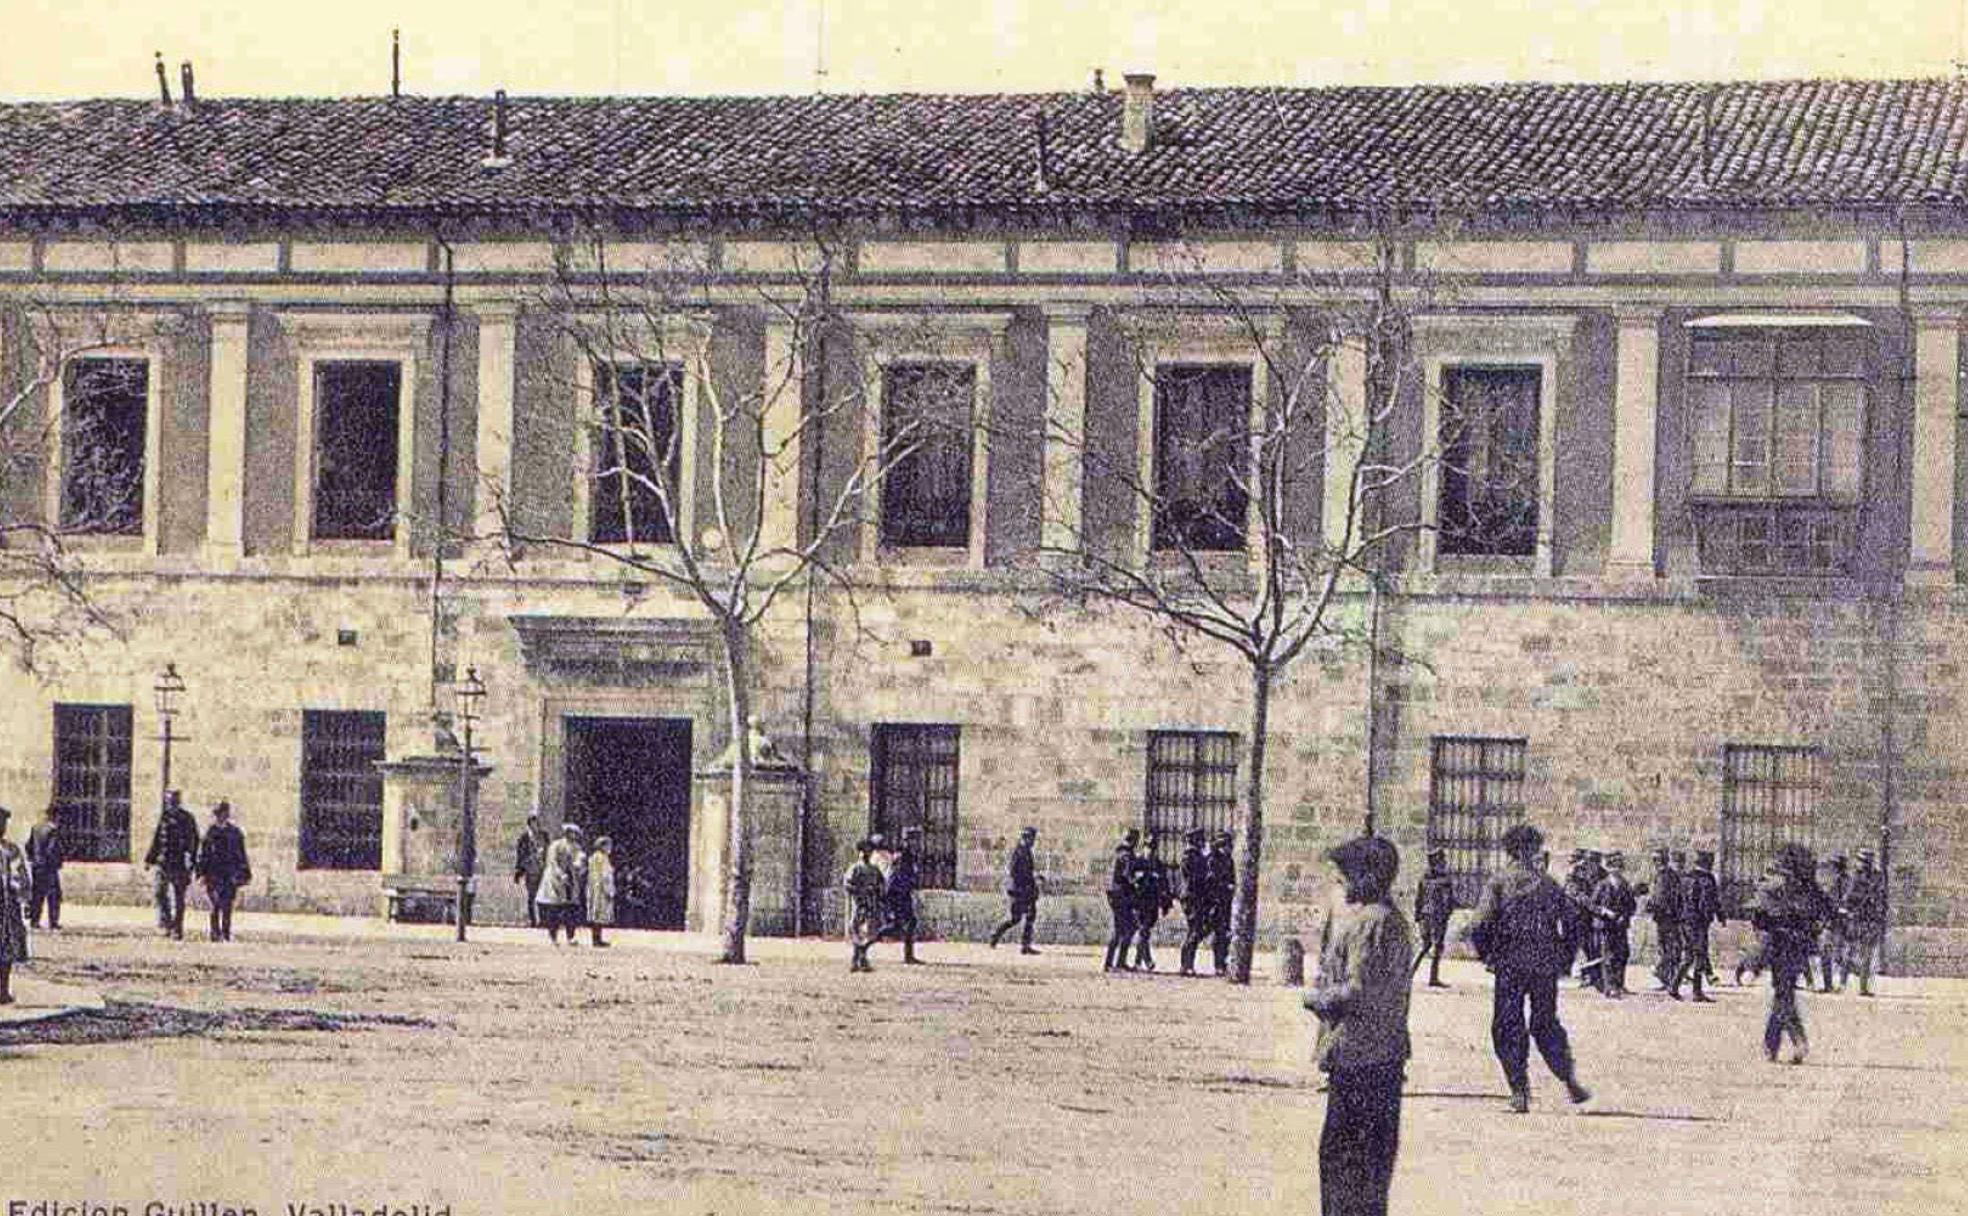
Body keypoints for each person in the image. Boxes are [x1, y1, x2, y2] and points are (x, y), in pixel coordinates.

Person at [1303, 835, 1413, 1216]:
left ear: (1365, 877)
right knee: (1369, 1170)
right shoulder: (1392, 920)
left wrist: (1316, 998)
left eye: (1345, 877)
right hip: (1382, 1055)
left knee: (1343, 1166)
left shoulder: (1369, 923)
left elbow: (1358, 990)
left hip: (1359, 1058)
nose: (1342, 885)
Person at [1466, 823, 1591, 1113]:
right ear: (1532, 850)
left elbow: (1479, 924)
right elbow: (1573, 923)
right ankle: (1569, 1079)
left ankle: (1519, 1090)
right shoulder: (1549, 884)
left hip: (1510, 964)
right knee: (1546, 1023)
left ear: (1510, 850)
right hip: (1544, 966)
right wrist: (1565, 959)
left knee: (1508, 1024)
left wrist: (1487, 954)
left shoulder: (1499, 882)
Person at [1750, 843, 1832, 1063]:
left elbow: (1760, 919)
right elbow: (1829, 911)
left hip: (1780, 947)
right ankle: (1771, 1044)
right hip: (1799, 949)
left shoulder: (1779, 889)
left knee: (1783, 995)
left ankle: (1797, 1041)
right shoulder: (1810, 890)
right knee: (1783, 994)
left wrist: (1756, 957)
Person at [144, 790, 200, 940]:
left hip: (179, 864)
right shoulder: (165, 817)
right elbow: (157, 839)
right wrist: (150, 859)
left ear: (178, 802)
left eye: (173, 801)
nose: (170, 804)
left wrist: (192, 862)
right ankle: (167, 923)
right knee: (159, 892)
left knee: (179, 897)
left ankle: (177, 928)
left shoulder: (187, 818)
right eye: (168, 801)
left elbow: (194, 841)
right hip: (163, 862)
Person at [196, 800, 251, 942]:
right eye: (218, 814)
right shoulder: (210, 832)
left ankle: (225, 933)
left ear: (227, 814)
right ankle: (215, 933)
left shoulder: (235, 833)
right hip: (213, 874)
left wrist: (244, 873)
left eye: (222, 813)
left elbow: (241, 854)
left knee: (227, 905)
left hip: (229, 874)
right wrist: (201, 873)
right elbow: (203, 854)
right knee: (215, 904)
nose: (220, 817)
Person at [1675, 849, 1722, 1003]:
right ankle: (1696, 991)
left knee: (1688, 955)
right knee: (1700, 956)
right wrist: (1716, 916)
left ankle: (1673, 986)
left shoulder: (1685, 878)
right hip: (1698, 923)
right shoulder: (1707, 880)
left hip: (1684, 921)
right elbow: (1708, 903)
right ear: (1709, 863)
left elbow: (1678, 900)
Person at [1590, 852, 1637, 997]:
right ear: (1609, 869)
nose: (1616, 870)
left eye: (1619, 867)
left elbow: (1631, 905)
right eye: (1613, 867)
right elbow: (1592, 905)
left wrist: (1625, 915)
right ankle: (1609, 987)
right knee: (1608, 957)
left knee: (1622, 955)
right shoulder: (1602, 885)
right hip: (1605, 926)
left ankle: (1619, 984)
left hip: (1620, 926)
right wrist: (1604, 912)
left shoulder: (1625, 885)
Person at [988, 827, 1042, 953]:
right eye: (1031, 838)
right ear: (1026, 838)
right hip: (1019, 891)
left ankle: (1025, 945)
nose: (1033, 842)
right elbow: (1014, 871)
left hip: (1026, 891)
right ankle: (995, 935)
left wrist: (1034, 878)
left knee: (1030, 916)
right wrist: (1025, 882)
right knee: (1016, 918)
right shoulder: (1019, 852)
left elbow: (1027, 871)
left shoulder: (1026, 851)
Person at [534, 822, 587, 946]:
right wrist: (560, 875)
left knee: (571, 910)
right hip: (555, 881)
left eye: (575, 833)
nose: (573, 835)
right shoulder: (556, 845)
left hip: (571, 882)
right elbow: (552, 862)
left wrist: (580, 866)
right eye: (571, 832)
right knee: (554, 910)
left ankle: (571, 936)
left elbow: (578, 862)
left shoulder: (576, 847)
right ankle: (553, 937)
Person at [877, 826, 923, 964]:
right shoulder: (903, 854)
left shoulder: (907, 853)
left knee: (903, 924)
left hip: (902, 892)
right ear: (908, 840)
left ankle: (908, 955)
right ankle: (871, 939)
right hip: (898, 893)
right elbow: (895, 875)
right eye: (914, 839)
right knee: (906, 923)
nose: (917, 842)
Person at [1843, 848, 1886, 997]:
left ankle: (1860, 985)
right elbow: (1849, 898)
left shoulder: (1869, 877)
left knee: (1864, 953)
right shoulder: (1862, 877)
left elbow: (1880, 898)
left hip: (1865, 919)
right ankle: (1847, 983)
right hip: (1861, 919)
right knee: (1855, 952)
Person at [1411, 849, 1457, 988]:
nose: (1443, 863)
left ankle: (1410, 974)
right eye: (1441, 860)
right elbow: (1449, 900)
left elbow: (1418, 899)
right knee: (1436, 946)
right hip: (1437, 916)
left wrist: (1417, 916)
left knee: (1426, 945)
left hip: (1426, 915)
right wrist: (1448, 912)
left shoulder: (1424, 879)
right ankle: (1432, 977)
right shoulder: (1444, 880)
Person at [0, 806, 29, 1005]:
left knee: (7, 949)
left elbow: (19, 877)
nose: (2, 827)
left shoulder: (11, 850)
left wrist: (24, 899)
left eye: (3, 823)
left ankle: (2, 991)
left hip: (7, 907)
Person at [1130, 832, 1171, 971]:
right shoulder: (1137, 862)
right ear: (1144, 847)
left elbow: (1165, 885)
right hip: (1139, 903)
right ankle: (1146, 961)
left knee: (1145, 932)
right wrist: (1138, 879)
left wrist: (1166, 904)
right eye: (1148, 847)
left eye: (1153, 848)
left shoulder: (1158, 865)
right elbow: (1129, 880)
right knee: (1144, 931)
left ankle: (1138, 962)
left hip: (1152, 904)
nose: (1150, 850)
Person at [844, 838, 886, 974]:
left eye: (869, 850)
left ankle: (858, 958)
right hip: (859, 904)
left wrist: (877, 892)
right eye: (864, 851)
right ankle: (860, 960)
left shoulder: (874, 869)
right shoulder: (855, 868)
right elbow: (847, 884)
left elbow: (882, 883)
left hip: (871, 904)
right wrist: (859, 891)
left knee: (872, 934)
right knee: (857, 931)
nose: (866, 853)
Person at [1645, 848, 1683, 997]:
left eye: (1657, 860)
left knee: (1670, 948)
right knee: (1668, 948)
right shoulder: (1665, 875)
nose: (1655, 863)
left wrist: (1652, 906)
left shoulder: (1665, 876)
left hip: (1667, 917)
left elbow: (1661, 898)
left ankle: (1662, 973)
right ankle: (1666, 978)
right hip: (1666, 917)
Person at [1176, 829, 1213, 975]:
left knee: (1198, 929)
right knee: (1195, 929)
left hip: (1196, 897)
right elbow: (1196, 877)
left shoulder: (1196, 856)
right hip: (1191, 898)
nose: (1203, 842)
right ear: (1195, 841)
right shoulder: (1189, 857)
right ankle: (1186, 965)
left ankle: (1187, 964)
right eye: (1200, 840)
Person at [1102, 830, 1139, 972]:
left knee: (1125, 928)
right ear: (1134, 841)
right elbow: (1128, 876)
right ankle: (1113, 963)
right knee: (1124, 929)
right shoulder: (1127, 855)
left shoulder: (1119, 853)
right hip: (1121, 896)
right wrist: (1137, 882)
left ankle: (1115, 962)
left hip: (1116, 895)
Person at [25, 804, 63, 931]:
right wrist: (56, 862)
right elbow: (52, 849)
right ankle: (53, 922)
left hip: (37, 866)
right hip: (49, 867)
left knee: (37, 894)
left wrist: (33, 859)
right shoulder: (53, 830)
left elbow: (28, 845)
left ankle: (34, 921)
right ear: (55, 816)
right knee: (54, 895)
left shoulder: (36, 828)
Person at [1818, 855, 1849, 994]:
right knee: (1830, 953)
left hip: (1837, 922)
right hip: (1833, 922)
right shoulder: (1834, 882)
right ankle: (1832, 984)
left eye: (1833, 865)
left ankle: (1836, 984)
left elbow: (1838, 901)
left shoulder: (1843, 882)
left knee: (1835, 954)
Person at [513, 812, 550, 928]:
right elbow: (520, 855)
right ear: (529, 825)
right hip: (530, 870)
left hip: (543, 869)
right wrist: (519, 870)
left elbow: (549, 851)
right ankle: (533, 920)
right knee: (532, 895)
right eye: (533, 823)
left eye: (537, 823)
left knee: (544, 895)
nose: (535, 826)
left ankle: (543, 919)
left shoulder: (544, 836)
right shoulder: (524, 838)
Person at [1208, 830, 1237, 976]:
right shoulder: (1212, 860)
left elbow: (1232, 878)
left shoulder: (1229, 860)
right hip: (1215, 901)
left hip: (1226, 902)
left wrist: (1231, 886)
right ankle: (1218, 964)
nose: (1228, 848)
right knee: (1218, 934)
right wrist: (1225, 886)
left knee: (1225, 934)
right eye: (1225, 845)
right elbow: (1211, 881)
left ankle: (1223, 962)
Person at [586, 835, 616, 947]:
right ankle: (596, 939)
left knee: (599, 915)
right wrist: (609, 890)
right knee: (597, 914)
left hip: (596, 887)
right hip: (599, 889)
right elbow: (604, 875)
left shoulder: (598, 857)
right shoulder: (600, 858)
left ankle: (598, 938)